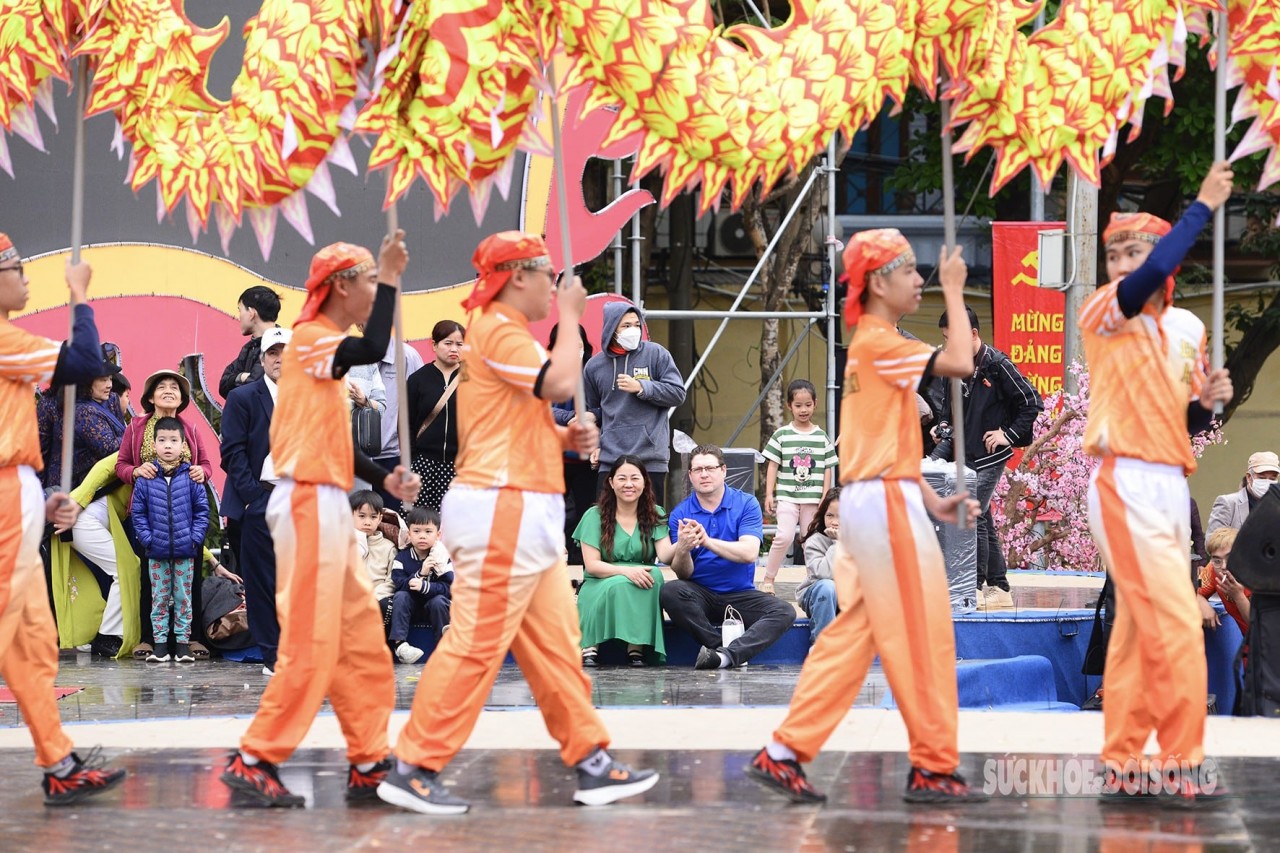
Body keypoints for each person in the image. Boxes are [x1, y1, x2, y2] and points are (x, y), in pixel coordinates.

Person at [378, 231, 657, 815]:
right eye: (549, 274)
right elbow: (557, 385)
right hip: (503, 506)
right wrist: (574, 321)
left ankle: (591, 761)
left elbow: (515, 424)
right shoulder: (500, 328)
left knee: (557, 644)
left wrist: (564, 435)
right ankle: (414, 765)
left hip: (523, 506)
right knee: (478, 643)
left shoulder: (505, 334)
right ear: (518, 276)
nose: (556, 285)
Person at [747, 229, 984, 805]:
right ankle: (931, 765)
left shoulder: (873, 346)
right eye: (911, 271)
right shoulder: (879, 342)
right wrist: (957, 289)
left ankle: (785, 752)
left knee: (858, 635)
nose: (921, 280)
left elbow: (882, 448)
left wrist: (933, 501)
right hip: (881, 508)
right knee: (923, 635)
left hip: (883, 501)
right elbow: (961, 360)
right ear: (880, 281)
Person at [219, 232, 421, 807]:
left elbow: (331, 435)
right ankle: (257, 756)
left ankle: (368, 759)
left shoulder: (320, 349)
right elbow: (374, 342)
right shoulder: (310, 338)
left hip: (325, 496)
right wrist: (394, 277)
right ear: (342, 286)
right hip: (306, 499)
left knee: (360, 642)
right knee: (311, 641)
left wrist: (382, 480)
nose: (375, 294)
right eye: (370, 284)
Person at [1079, 161, 1235, 806]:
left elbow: (1189, 417)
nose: (1122, 262)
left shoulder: (1188, 328)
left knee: (1141, 631)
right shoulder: (1103, 311)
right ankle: (1178, 765)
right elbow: (1148, 277)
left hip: (1171, 485)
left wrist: (1210, 402)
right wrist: (1202, 206)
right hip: (1125, 482)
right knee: (1174, 623)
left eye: (1134, 249)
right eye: (1113, 252)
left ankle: (1121, 762)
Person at [0, 233, 127, 803]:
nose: (26, 280)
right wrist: (80, 296)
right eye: (18, 269)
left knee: (32, 641)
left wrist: (38, 492)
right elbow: (82, 361)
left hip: (15, 490)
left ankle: (59, 763)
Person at [929, 305, 1043, 610]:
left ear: (973, 335)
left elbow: (1032, 402)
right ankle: (999, 587)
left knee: (971, 515)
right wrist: (941, 427)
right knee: (983, 520)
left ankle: (972, 587)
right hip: (965, 454)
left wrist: (1007, 433)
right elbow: (946, 411)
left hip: (992, 454)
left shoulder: (997, 364)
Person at [663, 444, 794, 669]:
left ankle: (724, 656)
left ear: (723, 470)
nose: (704, 474)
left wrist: (706, 541)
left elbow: (749, 553)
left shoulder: (746, 504)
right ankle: (726, 652)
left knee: (784, 611)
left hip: (740, 594)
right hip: (700, 593)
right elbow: (684, 573)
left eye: (710, 468)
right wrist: (683, 548)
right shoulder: (681, 514)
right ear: (690, 476)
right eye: (698, 470)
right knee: (670, 591)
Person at [115, 369, 215, 659]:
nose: (169, 390)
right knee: (151, 581)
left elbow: (207, 464)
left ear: (183, 398)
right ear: (149, 396)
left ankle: (191, 638)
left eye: (175, 387)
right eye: (162, 386)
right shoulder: (135, 427)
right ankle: (150, 639)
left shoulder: (191, 429)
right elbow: (121, 465)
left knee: (189, 581)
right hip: (150, 514)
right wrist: (135, 471)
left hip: (185, 513)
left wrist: (202, 471)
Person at [219, 326, 289, 673]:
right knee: (261, 583)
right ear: (262, 359)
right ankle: (272, 655)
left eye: (285, 352)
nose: (280, 359)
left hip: (299, 500)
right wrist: (251, 500)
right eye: (273, 353)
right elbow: (231, 452)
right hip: (260, 498)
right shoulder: (244, 397)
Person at [574, 455, 674, 667]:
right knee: (623, 582)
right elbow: (592, 565)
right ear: (611, 482)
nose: (629, 484)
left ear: (645, 482)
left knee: (654, 575)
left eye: (635, 478)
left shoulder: (656, 514)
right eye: (622, 478)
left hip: (642, 575)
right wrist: (627, 572)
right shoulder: (595, 515)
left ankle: (635, 648)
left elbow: (665, 555)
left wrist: (684, 543)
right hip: (601, 578)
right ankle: (590, 645)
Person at [583, 302, 686, 502]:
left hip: (650, 458)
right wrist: (595, 445)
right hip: (610, 460)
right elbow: (593, 412)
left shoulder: (656, 353)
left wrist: (642, 387)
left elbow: (677, 393)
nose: (633, 331)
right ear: (612, 329)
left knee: (650, 524)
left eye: (637, 325)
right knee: (606, 524)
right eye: (626, 326)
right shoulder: (594, 366)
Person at [129, 417, 210, 663]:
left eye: (173, 440)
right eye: (162, 440)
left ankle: (183, 645)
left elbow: (202, 511)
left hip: (186, 551)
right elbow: (138, 512)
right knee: (159, 598)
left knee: (184, 597)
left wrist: (195, 539)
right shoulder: (146, 478)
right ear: (153, 445)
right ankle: (161, 645)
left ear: (183, 445)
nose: (168, 446)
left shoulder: (192, 478)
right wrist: (147, 539)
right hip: (156, 552)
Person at [760, 379, 837, 595]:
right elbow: (773, 464)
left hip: (813, 499)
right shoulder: (782, 434)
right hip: (787, 496)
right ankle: (768, 577)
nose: (803, 410)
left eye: (808, 405)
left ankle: (813, 580)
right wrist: (769, 493)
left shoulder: (822, 437)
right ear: (789, 406)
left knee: (809, 540)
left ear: (815, 404)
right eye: (798, 405)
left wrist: (825, 497)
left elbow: (828, 468)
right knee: (783, 536)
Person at [550, 324, 597, 566]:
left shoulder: (596, 370)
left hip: (588, 457)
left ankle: (583, 563)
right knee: (552, 515)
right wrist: (571, 418)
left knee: (587, 513)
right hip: (554, 455)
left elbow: (606, 406)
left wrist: (592, 415)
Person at [406, 320, 464, 510]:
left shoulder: (474, 379)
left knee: (457, 524)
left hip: (461, 467)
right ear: (434, 345)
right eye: (448, 343)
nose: (454, 349)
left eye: (459, 344)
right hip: (424, 466)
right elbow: (406, 424)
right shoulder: (418, 379)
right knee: (421, 525)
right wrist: (412, 461)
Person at [351, 489, 415, 660]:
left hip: (378, 597)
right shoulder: (344, 543)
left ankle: (377, 648)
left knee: (386, 605)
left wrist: (373, 596)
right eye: (362, 516)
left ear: (380, 518)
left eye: (373, 517)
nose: (367, 522)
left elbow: (391, 580)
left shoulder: (388, 547)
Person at [388, 507, 453, 658]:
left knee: (439, 601)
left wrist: (425, 586)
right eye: (416, 531)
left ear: (438, 535)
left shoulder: (442, 559)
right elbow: (399, 584)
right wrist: (420, 574)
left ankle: (443, 648)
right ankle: (400, 646)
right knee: (401, 596)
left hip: (435, 608)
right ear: (409, 534)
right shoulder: (401, 559)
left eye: (428, 532)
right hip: (410, 608)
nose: (422, 536)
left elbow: (448, 588)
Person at [370, 332, 425, 508]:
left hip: (394, 454)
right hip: (360, 453)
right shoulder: (356, 356)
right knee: (362, 519)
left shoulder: (407, 355)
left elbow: (420, 400)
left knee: (393, 518)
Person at [220, 285, 281, 399]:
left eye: (240, 310)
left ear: (251, 313)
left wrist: (238, 379)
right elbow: (223, 385)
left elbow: (255, 387)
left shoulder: (280, 345)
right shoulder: (249, 347)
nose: (239, 316)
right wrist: (242, 377)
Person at [797, 487, 841, 644]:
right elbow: (824, 574)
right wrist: (837, 543)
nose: (834, 522)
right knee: (828, 586)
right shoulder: (814, 541)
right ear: (822, 516)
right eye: (829, 515)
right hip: (818, 596)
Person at [1208, 451, 1278, 535]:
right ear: (1249, 477)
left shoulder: (1276, 505)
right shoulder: (1228, 503)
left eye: (1272, 479)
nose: (1267, 482)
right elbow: (1212, 540)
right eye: (1261, 478)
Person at [1198, 527, 1249, 636]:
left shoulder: (1261, 574)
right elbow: (1191, 590)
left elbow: (1260, 624)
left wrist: (1238, 596)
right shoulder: (1213, 569)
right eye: (1217, 560)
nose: (1224, 566)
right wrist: (1202, 603)